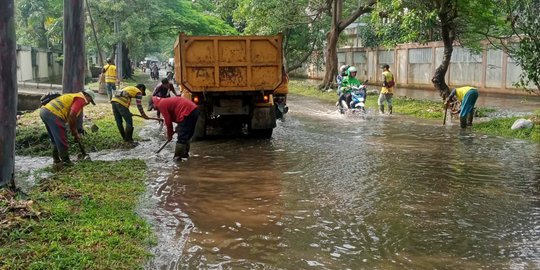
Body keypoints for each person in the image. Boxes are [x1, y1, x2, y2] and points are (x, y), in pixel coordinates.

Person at [40, 89, 96, 166]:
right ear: (87, 95)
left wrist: (74, 133)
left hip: (45, 111)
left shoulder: (73, 96)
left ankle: (56, 161)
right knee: (61, 137)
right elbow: (72, 115)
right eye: (90, 101)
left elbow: (70, 117)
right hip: (53, 113)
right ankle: (66, 161)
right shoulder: (81, 99)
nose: (88, 103)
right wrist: (74, 131)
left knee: (55, 139)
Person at [151, 96, 200, 160]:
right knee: (187, 135)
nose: (154, 109)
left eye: (153, 107)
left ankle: (177, 158)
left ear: (154, 103)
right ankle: (185, 155)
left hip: (187, 112)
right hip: (194, 110)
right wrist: (179, 126)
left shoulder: (161, 104)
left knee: (182, 137)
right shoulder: (165, 101)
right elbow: (177, 114)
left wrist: (169, 135)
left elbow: (168, 122)